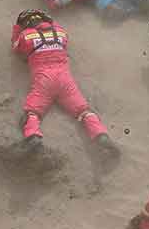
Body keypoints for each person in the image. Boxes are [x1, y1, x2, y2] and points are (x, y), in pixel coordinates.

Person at [10, 10, 119, 158]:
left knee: (32, 112)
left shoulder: (26, 36)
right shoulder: (61, 32)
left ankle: (33, 137)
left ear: (26, 24)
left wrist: (17, 27)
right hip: (65, 79)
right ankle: (101, 135)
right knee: (84, 110)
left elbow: (15, 47)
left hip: (44, 80)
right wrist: (50, 22)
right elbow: (57, 30)